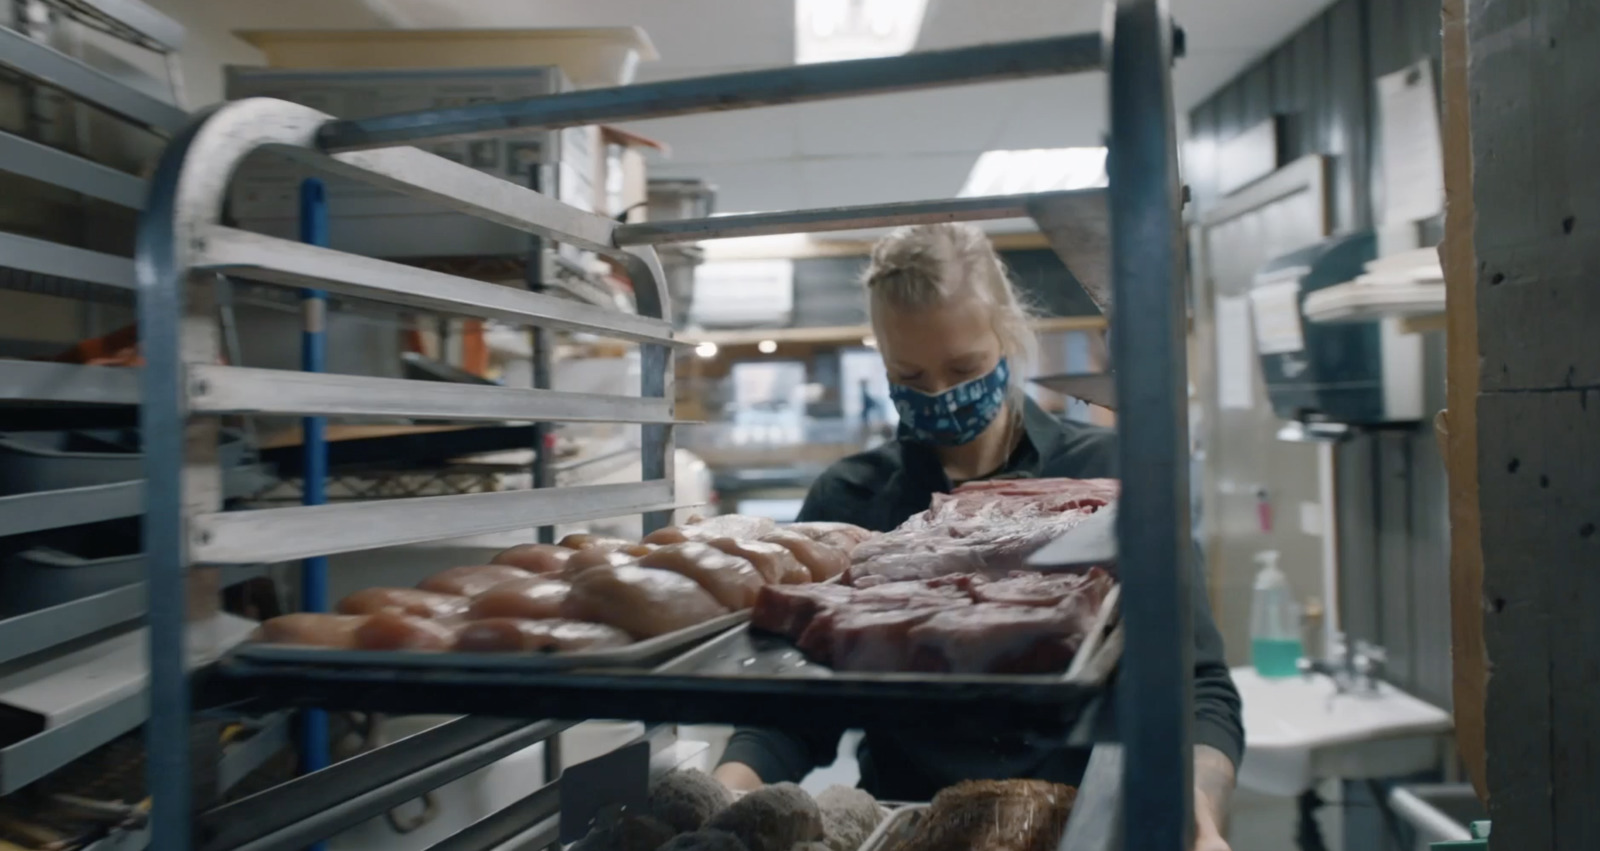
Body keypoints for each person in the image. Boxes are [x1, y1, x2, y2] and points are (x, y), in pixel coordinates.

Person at [711, 223, 1242, 851]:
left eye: (964, 367)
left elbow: (1197, 684)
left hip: (1088, 828)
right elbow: (794, 713)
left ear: (1009, 336)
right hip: (911, 828)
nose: (940, 395)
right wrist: (727, 795)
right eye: (909, 375)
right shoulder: (850, 502)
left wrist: (1197, 810)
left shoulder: (1113, 475)